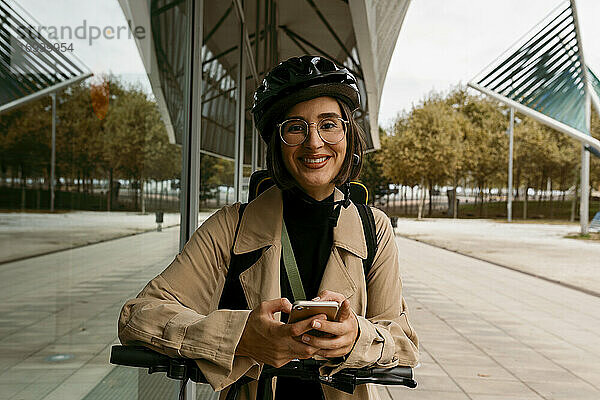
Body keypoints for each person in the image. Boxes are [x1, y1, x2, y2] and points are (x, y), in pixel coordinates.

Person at [118, 55, 419, 400]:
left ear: (349, 134)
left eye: (329, 124)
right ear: (277, 142)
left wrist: (357, 337)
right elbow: (137, 316)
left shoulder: (374, 228)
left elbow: (403, 342)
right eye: (295, 127)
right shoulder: (231, 226)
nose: (314, 143)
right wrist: (242, 336)